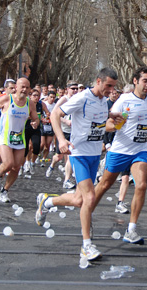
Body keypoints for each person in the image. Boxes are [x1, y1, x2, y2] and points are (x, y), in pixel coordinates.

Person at [35, 68, 118, 262]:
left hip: (94, 155)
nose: (111, 90)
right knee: (90, 197)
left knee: (80, 200)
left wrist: (114, 119)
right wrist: (61, 140)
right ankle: (86, 245)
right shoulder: (82, 97)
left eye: (113, 87)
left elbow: (98, 124)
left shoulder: (103, 102)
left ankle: (47, 202)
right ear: (98, 81)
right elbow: (55, 114)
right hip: (79, 154)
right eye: (108, 86)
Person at [92, 67, 147, 244]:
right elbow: (107, 125)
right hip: (120, 150)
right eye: (145, 81)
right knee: (104, 185)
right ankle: (87, 214)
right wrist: (118, 125)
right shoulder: (124, 100)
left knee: (141, 185)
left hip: (140, 150)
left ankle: (131, 229)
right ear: (135, 81)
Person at [0, 78, 39, 203]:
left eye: (27, 87)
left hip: (19, 137)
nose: (25, 90)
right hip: (4, 136)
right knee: (8, 163)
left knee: (16, 167)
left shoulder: (29, 103)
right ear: (16, 87)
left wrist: (35, 123)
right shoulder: (7, 99)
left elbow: (36, 117)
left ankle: (4, 191)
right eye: (22, 87)